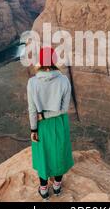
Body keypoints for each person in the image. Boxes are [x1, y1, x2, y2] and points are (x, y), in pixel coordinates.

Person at [27, 47, 74, 200]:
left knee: (43, 156)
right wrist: (49, 115)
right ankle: (57, 187)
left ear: (41, 63)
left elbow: (32, 109)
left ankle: (44, 191)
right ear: (53, 62)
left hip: (41, 124)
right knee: (59, 153)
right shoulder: (64, 80)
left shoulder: (32, 82)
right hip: (59, 123)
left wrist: (34, 128)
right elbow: (64, 109)